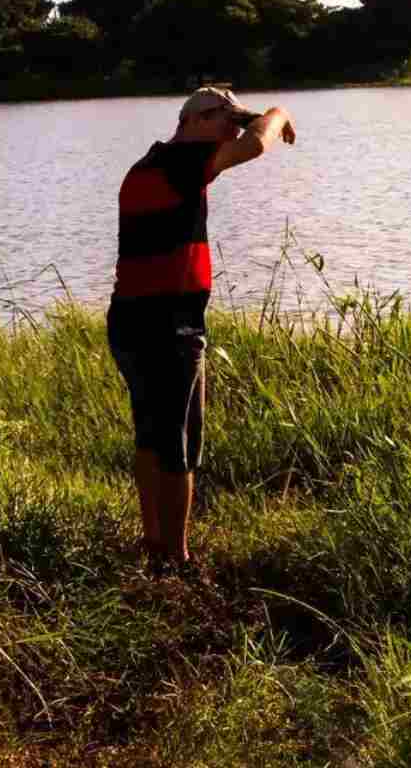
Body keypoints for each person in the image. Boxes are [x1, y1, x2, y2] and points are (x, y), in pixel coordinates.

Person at [106, 86, 296, 576]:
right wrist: (277, 113)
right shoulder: (180, 164)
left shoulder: (155, 163)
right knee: (180, 443)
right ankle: (177, 560)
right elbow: (256, 144)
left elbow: (242, 140)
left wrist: (244, 116)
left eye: (237, 120)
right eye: (224, 120)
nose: (232, 131)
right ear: (192, 122)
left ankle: (153, 543)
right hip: (169, 324)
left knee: (151, 434)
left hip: (132, 318)